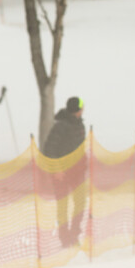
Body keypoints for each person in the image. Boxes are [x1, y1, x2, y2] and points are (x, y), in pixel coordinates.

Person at [42, 96, 87, 248]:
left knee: (80, 203)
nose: (83, 109)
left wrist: (84, 164)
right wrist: (56, 170)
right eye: (81, 107)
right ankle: (65, 238)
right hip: (61, 174)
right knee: (63, 206)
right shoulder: (60, 126)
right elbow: (49, 149)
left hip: (77, 172)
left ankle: (74, 234)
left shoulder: (80, 125)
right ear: (77, 109)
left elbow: (80, 150)